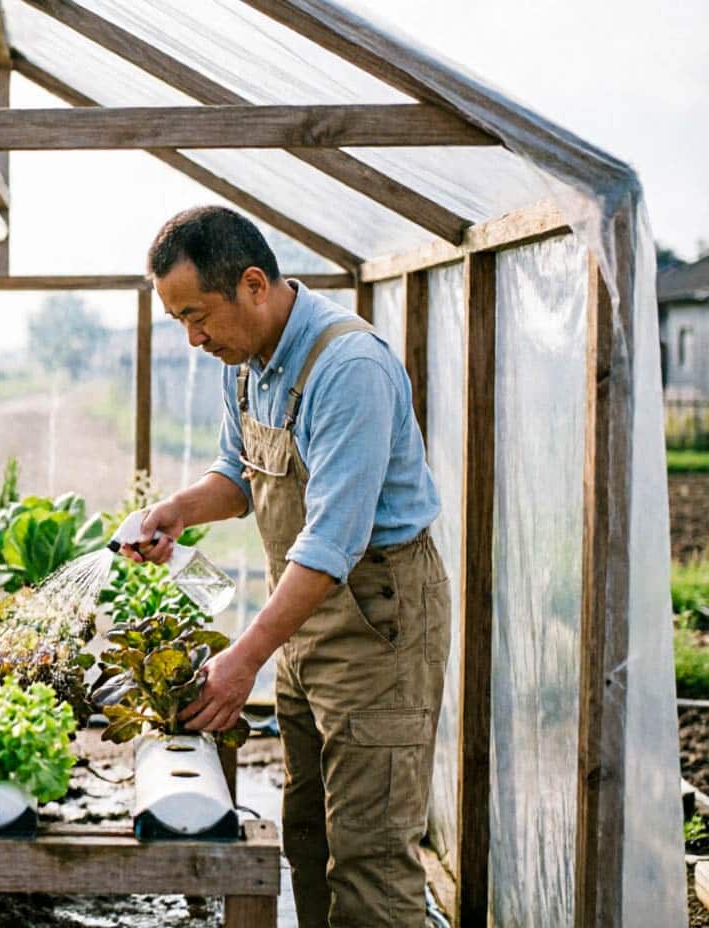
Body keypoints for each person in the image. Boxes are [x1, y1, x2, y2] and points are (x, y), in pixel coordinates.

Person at [119, 205, 450, 927]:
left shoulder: (347, 368)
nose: (193, 338)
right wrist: (175, 511)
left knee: (369, 854)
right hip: (303, 623)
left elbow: (332, 543)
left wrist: (244, 660)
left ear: (253, 284)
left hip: (378, 624)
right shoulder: (247, 361)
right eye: (178, 320)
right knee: (307, 832)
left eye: (198, 316)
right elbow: (238, 477)